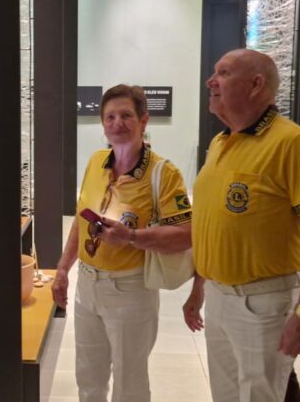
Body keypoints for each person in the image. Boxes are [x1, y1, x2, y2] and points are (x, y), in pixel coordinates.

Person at [183, 49, 300, 402]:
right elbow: (216, 225)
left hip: (263, 303)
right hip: (219, 297)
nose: (210, 81)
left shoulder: (292, 143)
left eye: (223, 73)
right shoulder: (221, 142)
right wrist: (199, 288)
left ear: (255, 84)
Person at [52, 84, 193, 402]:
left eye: (126, 115)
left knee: (130, 383)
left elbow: (187, 234)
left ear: (144, 120)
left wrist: (130, 237)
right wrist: (62, 269)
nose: (117, 123)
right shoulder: (96, 162)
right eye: (110, 117)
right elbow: (81, 220)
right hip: (87, 285)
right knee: (88, 378)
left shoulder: (163, 173)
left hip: (130, 290)